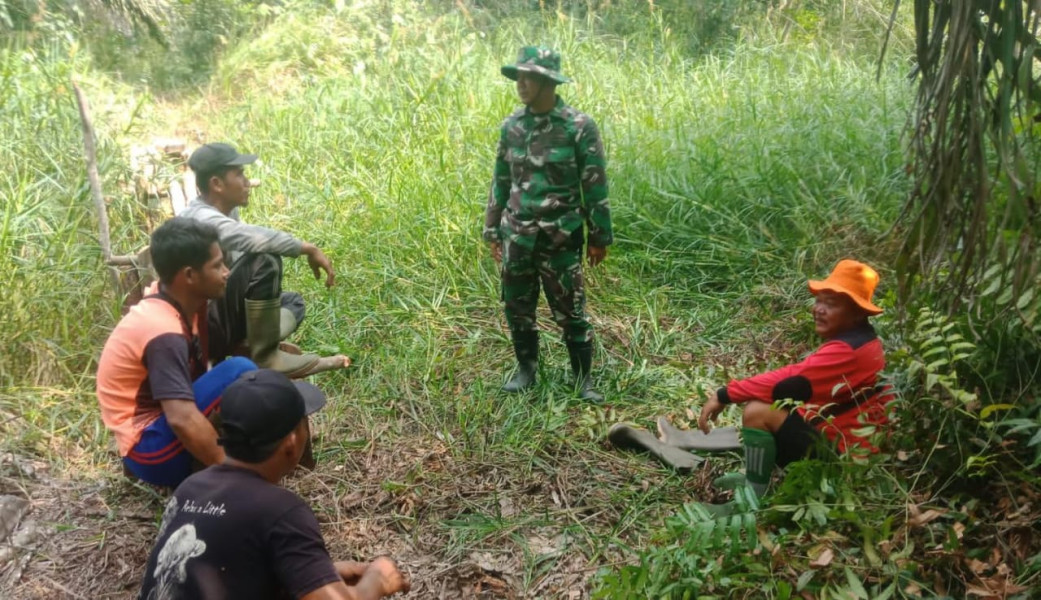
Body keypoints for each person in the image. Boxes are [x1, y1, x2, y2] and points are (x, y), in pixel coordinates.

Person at [138, 369, 411, 599]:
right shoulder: (281, 510)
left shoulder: (190, 487)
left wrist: (313, 575)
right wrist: (377, 579)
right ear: (292, 442)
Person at [694, 259, 894, 513]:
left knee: (758, 411)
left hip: (843, 463)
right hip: (847, 447)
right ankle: (754, 481)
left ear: (857, 312)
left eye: (830, 304)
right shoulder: (859, 340)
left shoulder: (848, 350)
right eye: (819, 300)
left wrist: (725, 394)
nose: (818, 309)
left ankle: (750, 504)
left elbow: (790, 383)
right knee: (775, 408)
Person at [484, 46, 613, 402]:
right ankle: (526, 370)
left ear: (548, 82)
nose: (521, 84)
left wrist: (599, 236)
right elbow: (500, 181)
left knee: (571, 310)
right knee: (517, 307)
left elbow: (595, 182)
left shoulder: (578, 126)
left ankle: (582, 379)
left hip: (560, 236)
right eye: (519, 77)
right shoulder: (511, 127)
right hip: (518, 236)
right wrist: (492, 229)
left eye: (530, 77)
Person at [96, 218, 257, 488]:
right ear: (190, 276)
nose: (227, 272)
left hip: (152, 435)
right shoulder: (163, 332)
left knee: (239, 372)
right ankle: (229, 468)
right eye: (217, 265)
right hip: (151, 451)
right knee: (241, 372)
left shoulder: (175, 300)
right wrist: (232, 476)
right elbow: (182, 418)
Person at [181, 142, 348, 378]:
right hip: (202, 331)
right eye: (239, 174)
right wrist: (308, 248)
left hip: (220, 315)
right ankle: (266, 356)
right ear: (217, 184)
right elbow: (252, 239)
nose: (247, 182)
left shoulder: (225, 212)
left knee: (293, 303)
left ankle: (251, 343)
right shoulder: (201, 218)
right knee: (265, 260)